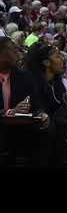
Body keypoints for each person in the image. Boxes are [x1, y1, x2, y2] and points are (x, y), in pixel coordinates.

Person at [24, 41, 67, 168]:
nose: (63, 59)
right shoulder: (33, 82)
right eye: (57, 56)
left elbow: (65, 107)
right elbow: (42, 110)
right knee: (60, 130)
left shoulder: (57, 81)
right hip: (41, 123)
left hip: (59, 121)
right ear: (46, 63)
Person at [0, 37, 50, 167]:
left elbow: (36, 103)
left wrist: (41, 113)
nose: (18, 53)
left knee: (44, 131)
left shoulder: (24, 75)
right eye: (13, 49)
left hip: (19, 127)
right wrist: (10, 112)